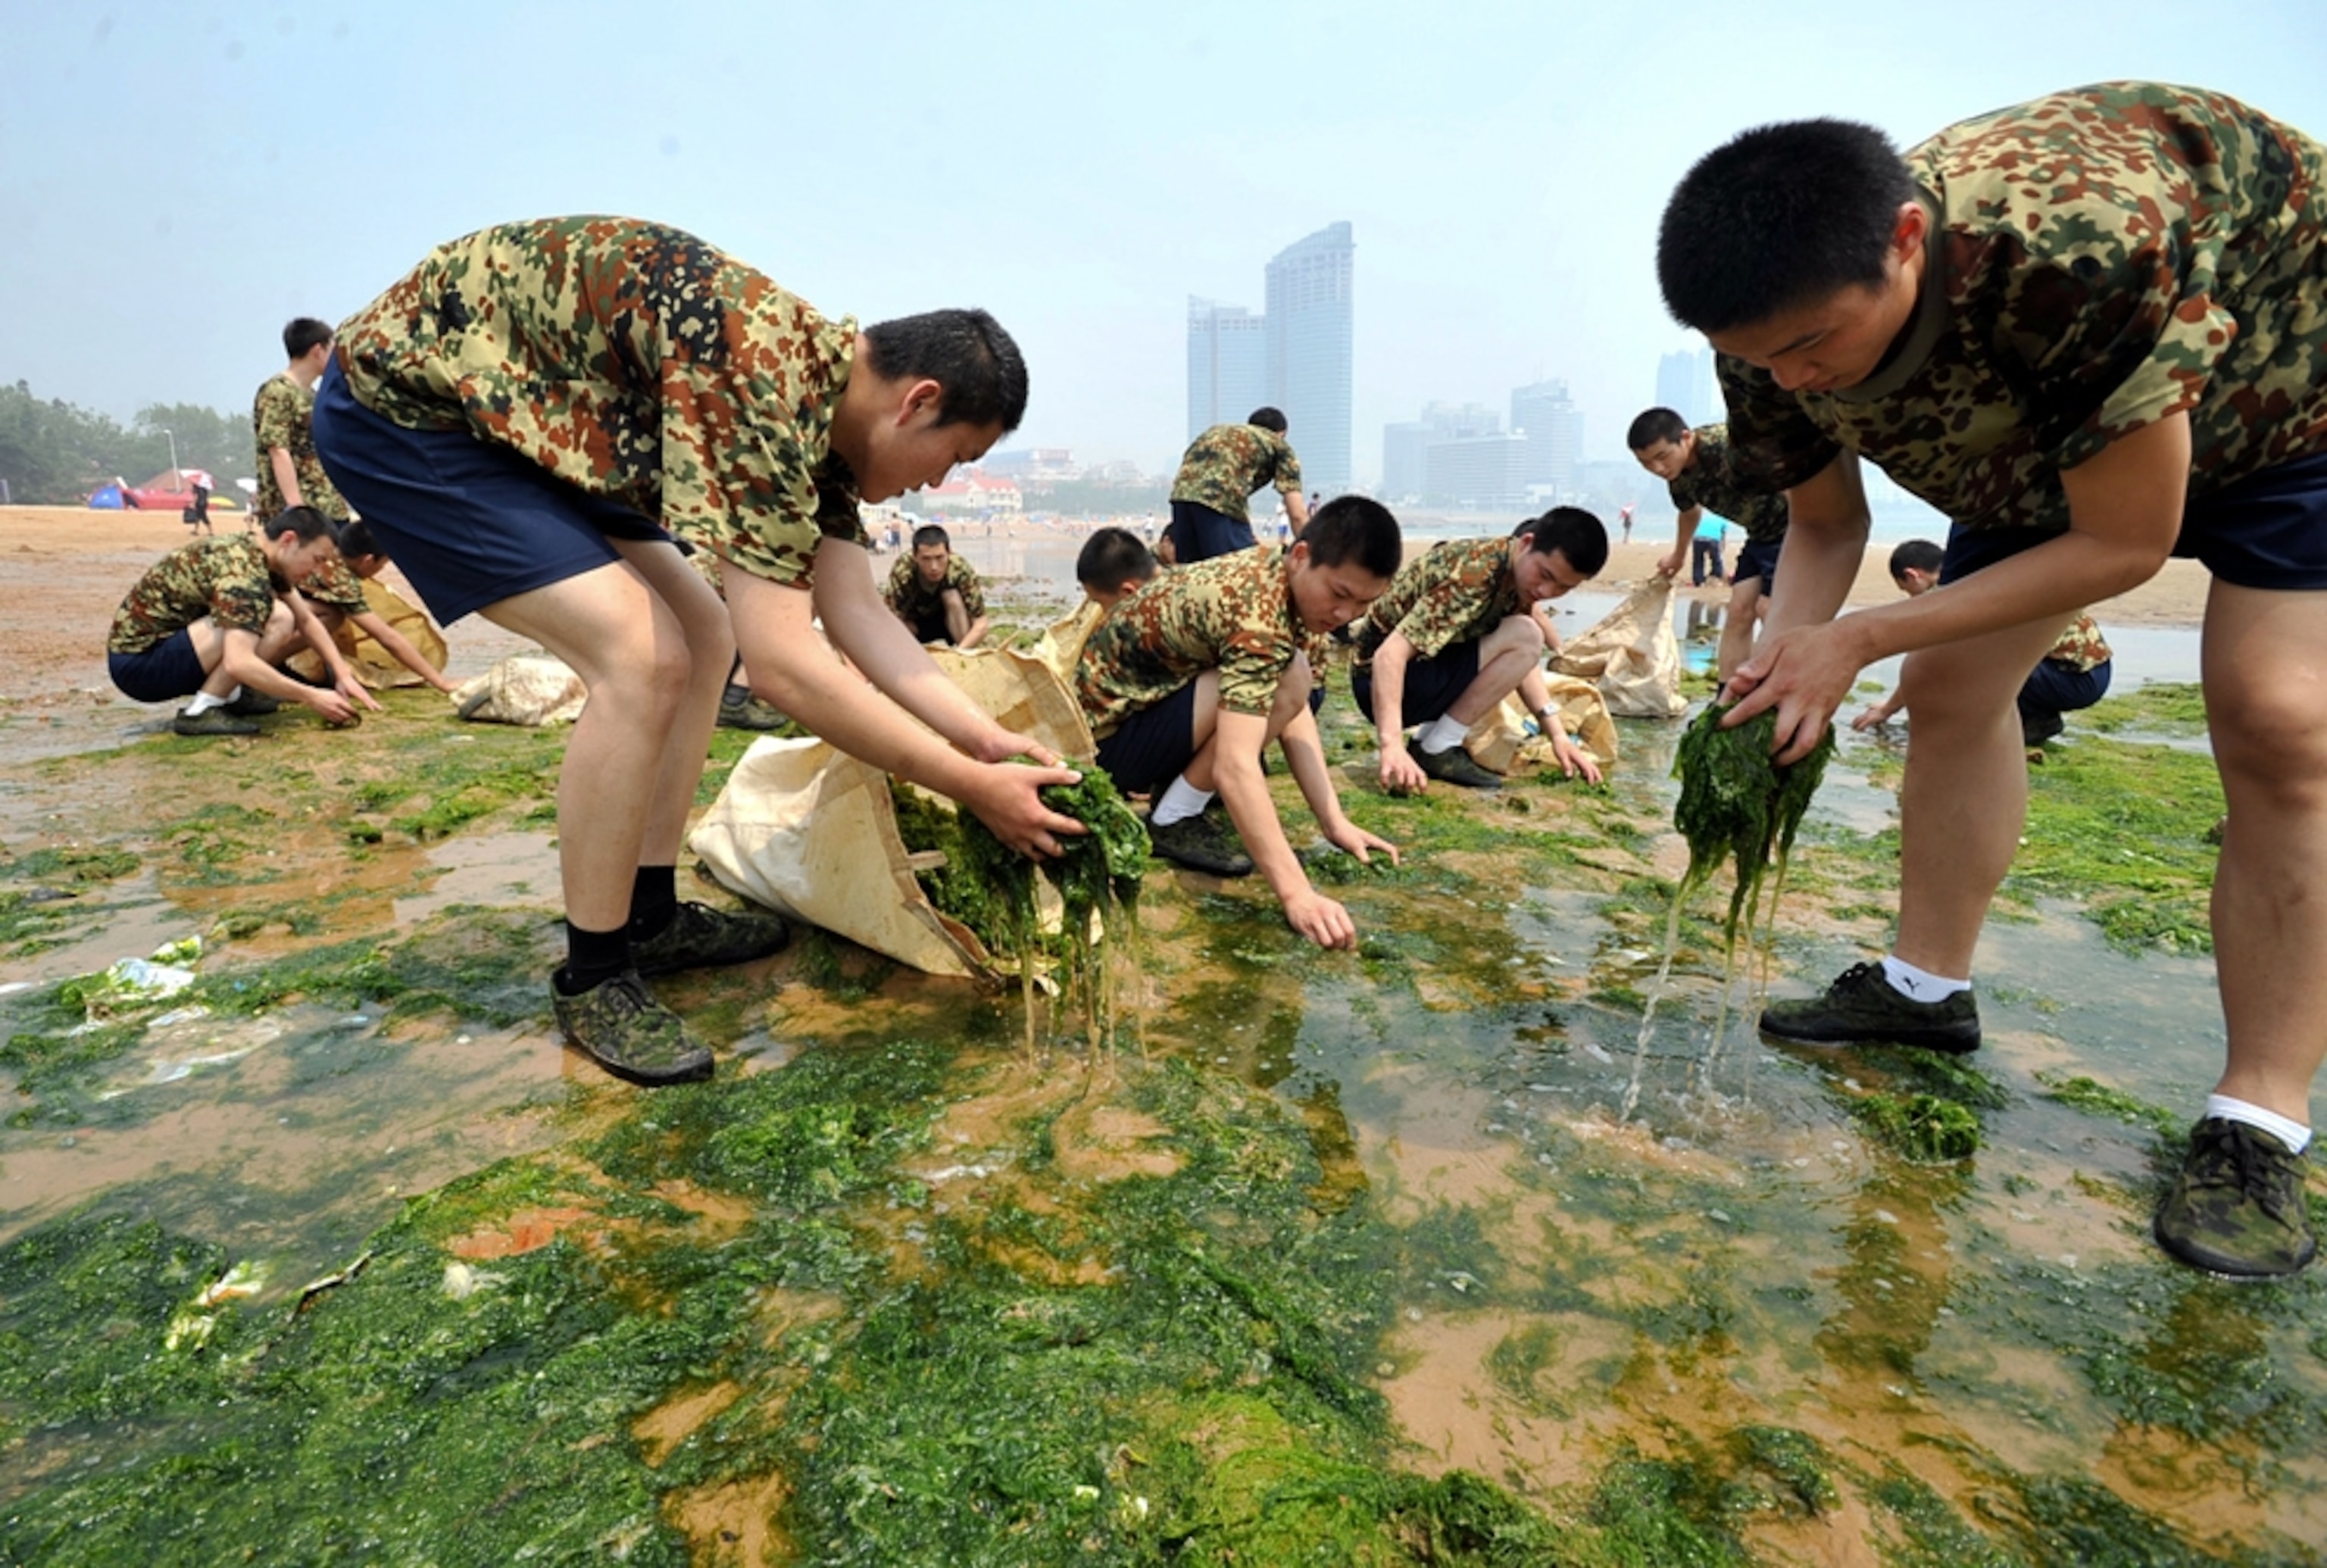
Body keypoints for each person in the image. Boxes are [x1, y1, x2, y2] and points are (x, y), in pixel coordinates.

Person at [1657, 83, 2327, 1278]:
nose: (1794, 380)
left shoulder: (2078, 238)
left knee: (2277, 719)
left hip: (2292, 396)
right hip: (2043, 435)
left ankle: (2257, 1118)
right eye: (1764, 360)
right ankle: (1924, 992)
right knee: (1957, 693)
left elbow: (2127, 543)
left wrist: (1860, 640)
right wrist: (1776, 676)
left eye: (1814, 347)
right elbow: (1821, 526)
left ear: (1907, 242)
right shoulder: (1768, 332)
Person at [312, 216, 1080, 1088]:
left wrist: (984, 742)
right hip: (412, 405)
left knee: (706, 637)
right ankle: (596, 974)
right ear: (919, 401)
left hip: (545, 427)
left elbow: (858, 615)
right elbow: (788, 667)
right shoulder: (762, 384)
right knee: (641, 659)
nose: (938, 486)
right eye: (955, 457)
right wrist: (971, 788)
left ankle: (648, 914)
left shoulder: (820, 413)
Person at [1076, 497, 1402, 948]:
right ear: (1302, 556)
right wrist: (1297, 895)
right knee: (1292, 673)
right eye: (1340, 594)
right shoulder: (1257, 609)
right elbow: (1235, 764)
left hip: (1152, 708)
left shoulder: (1286, 583)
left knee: (1294, 675)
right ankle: (1173, 817)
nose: (1345, 615)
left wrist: (1334, 821)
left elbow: (1294, 710)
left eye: (1365, 603)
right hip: (1110, 743)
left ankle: (1178, 799)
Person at [1350, 507, 1609, 792]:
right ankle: (1439, 747)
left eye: (1563, 587)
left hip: (1418, 677)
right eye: (1545, 574)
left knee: (1525, 635)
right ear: (1526, 543)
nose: (1547, 592)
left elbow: (1525, 662)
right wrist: (1391, 744)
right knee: (1527, 633)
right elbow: (1389, 655)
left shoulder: (1517, 577)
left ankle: (1430, 741)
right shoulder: (1476, 575)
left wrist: (1558, 736)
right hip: (1375, 682)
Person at [106, 504, 377, 736]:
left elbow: (306, 620)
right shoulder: (243, 575)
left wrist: (342, 673)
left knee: (283, 614)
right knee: (278, 617)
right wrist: (313, 697)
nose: (318, 570)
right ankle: (202, 710)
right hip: (140, 666)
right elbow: (239, 662)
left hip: (163, 649)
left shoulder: (261, 554)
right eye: (317, 560)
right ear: (289, 541)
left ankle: (233, 695)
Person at [1851, 540, 2113, 745]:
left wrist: (1888, 709)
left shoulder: (1948, 593)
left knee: (1963, 664)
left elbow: (1925, 660)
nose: (1912, 598)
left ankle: (2031, 724)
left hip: (2075, 681)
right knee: (1977, 654)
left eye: (1907, 590)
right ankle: (2032, 718)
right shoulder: (1978, 573)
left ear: (1913, 575)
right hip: (2094, 670)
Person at [1631, 407, 1791, 680]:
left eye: (1662, 456)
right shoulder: (1677, 477)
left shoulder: (1726, 444)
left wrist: (1814, 529)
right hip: (1760, 535)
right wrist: (1678, 556)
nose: (1658, 468)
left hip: (1792, 531)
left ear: (1685, 437)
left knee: (1768, 610)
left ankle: (1777, 693)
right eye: (1646, 463)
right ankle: (1726, 698)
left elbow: (1788, 474)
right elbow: (1689, 512)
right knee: (1739, 610)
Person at [292, 518, 461, 695]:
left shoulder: (326, 551)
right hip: (274, 623)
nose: (381, 569)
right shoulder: (340, 579)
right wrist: (441, 682)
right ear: (368, 560)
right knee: (331, 615)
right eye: (383, 564)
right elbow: (387, 637)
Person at [1166, 408, 1310, 564]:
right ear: (1282, 433)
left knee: (1190, 572)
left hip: (1181, 497)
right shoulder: (1279, 446)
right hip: (1219, 502)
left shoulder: (1218, 432)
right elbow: (1297, 515)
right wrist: (1314, 553)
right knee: (1235, 571)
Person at [253, 317, 350, 534]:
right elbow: (278, 449)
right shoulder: (278, 392)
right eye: (332, 350)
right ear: (318, 350)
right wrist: (296, 507)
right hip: (303, 510)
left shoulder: (313, 396)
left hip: (327, 504)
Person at [882, 523, 990, 648]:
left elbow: (981, 623)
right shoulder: (903, 570)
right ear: (915, 557)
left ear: (949, 553)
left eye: (940, 558)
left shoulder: (960, 569)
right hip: (916, 627)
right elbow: (889, 617)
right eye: (926, 559)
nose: (934, 567)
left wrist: (960, 653)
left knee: (952, 596)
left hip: (953, 626)